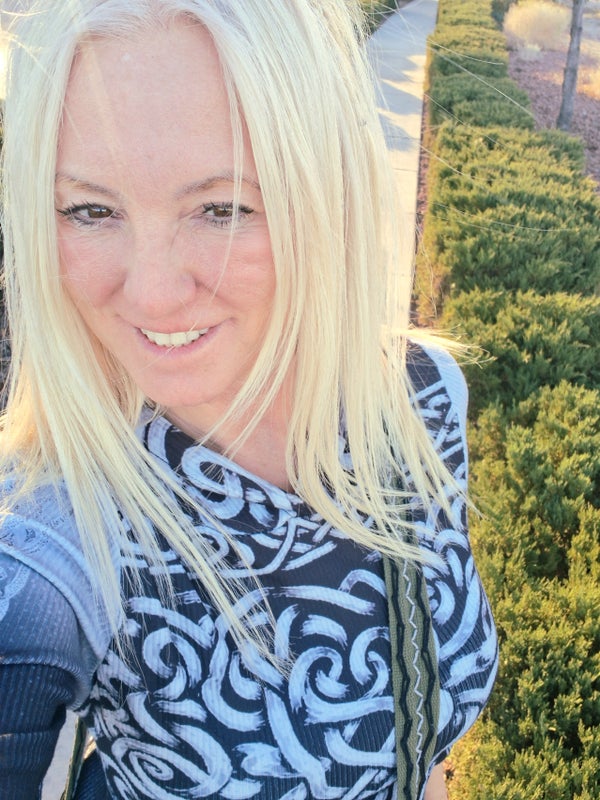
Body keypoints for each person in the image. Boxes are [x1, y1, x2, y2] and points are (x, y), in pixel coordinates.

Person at [0, 1, 498, 798]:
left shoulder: (422, 395)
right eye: (91, 210)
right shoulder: (52, 547)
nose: (153, 293)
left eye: (222, 208)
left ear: (324, 196)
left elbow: (421, 746)